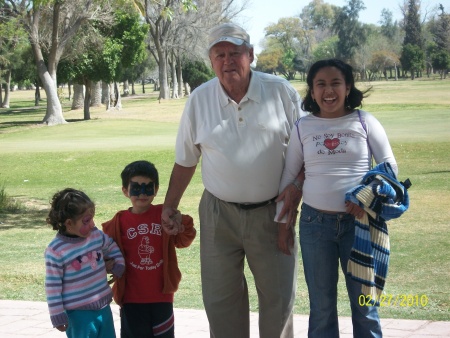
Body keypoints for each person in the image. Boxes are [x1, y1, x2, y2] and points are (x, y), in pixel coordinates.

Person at [161, 22, 305, 338]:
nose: (228, 61)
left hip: (273, 213)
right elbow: (186, 159)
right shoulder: (199, 99)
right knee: (220, 302)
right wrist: (169, 206)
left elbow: (308, 151)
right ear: (211, 61)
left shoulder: (281, 92)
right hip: (218, 214)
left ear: (250, 55)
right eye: (219, 54)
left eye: (235, 53)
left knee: (279, 301)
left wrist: (295, 192)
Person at [276, 58, 398, 337]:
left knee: (365, 306)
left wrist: (365, 196)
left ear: (348, 88)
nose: (328, 91)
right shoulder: (302, 127)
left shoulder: (364, 121)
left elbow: (389, 167)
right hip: (314, 225)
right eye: (321, 84)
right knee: (321, 308)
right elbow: (288, 178)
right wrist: (282, 224)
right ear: (312, 90)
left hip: (361, 226)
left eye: (335, 83)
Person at [102, 160, 196, 338]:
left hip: (162, 297)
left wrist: (181, 222)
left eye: (148, 187)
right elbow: (104, 251)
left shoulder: (164, 215)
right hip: (131, 298)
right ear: (125, 190)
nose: (142, 193)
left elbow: (184, 241)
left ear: (156, 189)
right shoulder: (118, 222)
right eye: (136, 188)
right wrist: (106, 263)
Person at [44, 188, 125, 337]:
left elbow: (110, 245)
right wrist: (57, 314)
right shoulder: (56, 251)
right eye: (86, 221)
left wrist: (119, 263)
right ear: (69, 223)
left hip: (103, 307)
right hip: (78, 315)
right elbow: (52, 286)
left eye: (92, 218)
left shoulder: (95, 235)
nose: (93, 224)